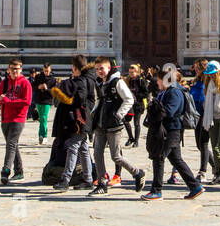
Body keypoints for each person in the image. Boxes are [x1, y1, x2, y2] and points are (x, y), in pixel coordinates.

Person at [140, 64, 205, 201]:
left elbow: (170, 111)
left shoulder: (174, 92)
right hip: (168, 129)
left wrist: (156, 108)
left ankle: (156, 191)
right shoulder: (166, 92)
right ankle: (195, 186)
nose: (156, 83)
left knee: (159, 157)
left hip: (171, 130)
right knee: (176, 159)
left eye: (158, 80)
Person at [90, 57, 145, 195]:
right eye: (97, 69)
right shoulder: (101, 83)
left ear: (109, 68)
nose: (99, 71)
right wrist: (93, 114)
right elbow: (99, 101)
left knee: (116, 156)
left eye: (102, 68)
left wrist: (119, 115)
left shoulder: (117, 82)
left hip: (114, 125)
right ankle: (102, 182)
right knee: (97, 153)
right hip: (101, 124)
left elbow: (129, 99)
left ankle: (137, 172)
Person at [50, 55, 96, 192]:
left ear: (75, 68)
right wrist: (86, 111)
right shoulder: (89, 80)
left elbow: (80, 100)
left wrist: (69, 100)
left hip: (78, 122)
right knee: (83, 149)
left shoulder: (81, 81)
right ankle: (88, 180)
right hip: (83, 120)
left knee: (73, 148)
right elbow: (91, 100)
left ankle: (65, 180)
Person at [0, 59, 33, 185]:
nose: (14, 71)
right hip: (5, 118)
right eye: (12, 68)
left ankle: (5, 171)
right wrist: (2, 100)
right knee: (13, 144)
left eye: (17, 68)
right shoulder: (5, 83)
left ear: (21, 69)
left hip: (18, 118)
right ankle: (19, 171)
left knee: (11, 144)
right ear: (8, 70)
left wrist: (8, 101)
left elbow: (26, 101)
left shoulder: (25, 83)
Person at [31, 63, 56, 145]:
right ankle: (42, 136)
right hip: (38, 100)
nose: (46, 73)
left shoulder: (53, 79)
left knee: (44, 117)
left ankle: (43, 136)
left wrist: (47, 88)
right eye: (45, 71)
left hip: (47, 101)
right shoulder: (38, 77)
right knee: (41, 118)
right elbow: (33, 87)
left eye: (48, 71)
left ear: (50, 70)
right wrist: (38, 87)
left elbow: (54, 92)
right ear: (43, 69)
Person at [124, 63, 147, 147]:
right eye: (130, 72)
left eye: (132, 72)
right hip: (129, 104)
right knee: (125, 121)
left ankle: (136, 141)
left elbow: (145, 93)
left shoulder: (141, 80)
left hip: (138, 104)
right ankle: (130, 137)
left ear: (137, 72)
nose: (131, 74)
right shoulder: (127, 80)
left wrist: (136, 96)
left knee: (136, 123)